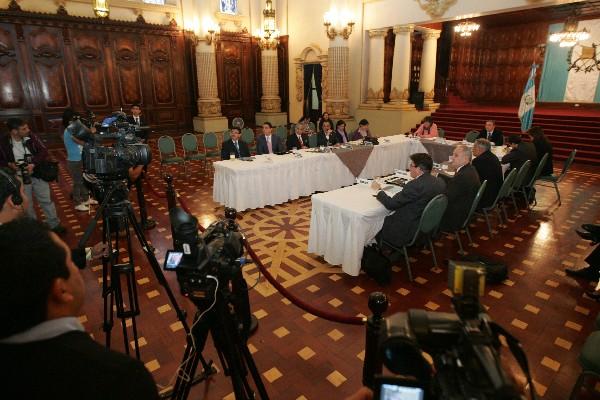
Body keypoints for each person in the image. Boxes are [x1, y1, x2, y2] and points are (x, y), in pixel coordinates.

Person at [0, 218, 159, 400]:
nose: (76, 269)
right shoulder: (122, 379)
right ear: (61, 290)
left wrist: (89, 252)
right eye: (69, 260)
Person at [0, 167, 105, 268]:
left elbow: (46, 260)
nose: (26, 197)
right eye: (23, 191)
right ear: (14, 200)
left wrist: (90, 253)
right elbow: (46, 264)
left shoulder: (14, 232)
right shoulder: (16, 244)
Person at [0, 118, 65, 233]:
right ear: (14, 131)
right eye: (24, 128)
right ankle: (34, 230)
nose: (28, 130)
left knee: (46, 200)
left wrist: (33, 163)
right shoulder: (4, 142)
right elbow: (1, 160)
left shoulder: (32, 137)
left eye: (27, 127)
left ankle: (54, 225)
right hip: (19, 177)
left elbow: (43, 151)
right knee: (27, 204)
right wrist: (9, 165)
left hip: (37, 173)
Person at [372, 153, 446, 248]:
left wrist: (379, 190)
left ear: (419, 169)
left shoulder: (414, 185)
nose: (409, 168)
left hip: (407, 230)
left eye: (411, 165)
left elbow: (391, 204)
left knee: (375, 220)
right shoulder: (440, 182)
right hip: (427, 227)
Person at [439, 145, 481, 232]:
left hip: (453, 217)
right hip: (464, 210)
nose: (452, 158)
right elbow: (454, 183)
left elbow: (445, 197)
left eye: (456, 155)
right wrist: (438, 175)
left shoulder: (462, 176)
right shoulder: (470, 169)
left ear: (465, 159)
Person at [63, 109, 95, 212]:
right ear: (70, 120)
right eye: (75, 119)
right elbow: (81, 141)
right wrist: (91, 133)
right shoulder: (69, 130)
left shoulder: (73, 129)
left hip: (79, 158)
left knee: (82, 181)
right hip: (74, 160)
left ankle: (86, 199)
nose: (78, 121)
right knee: (77, 182)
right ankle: (77, 203)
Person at [472, 139, 503, 209]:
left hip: (485, 197)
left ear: (480, 149)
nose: (472, 149)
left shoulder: (478, 161)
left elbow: (473, 181)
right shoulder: (493, 157)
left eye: (474, 147)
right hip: (495, 194)